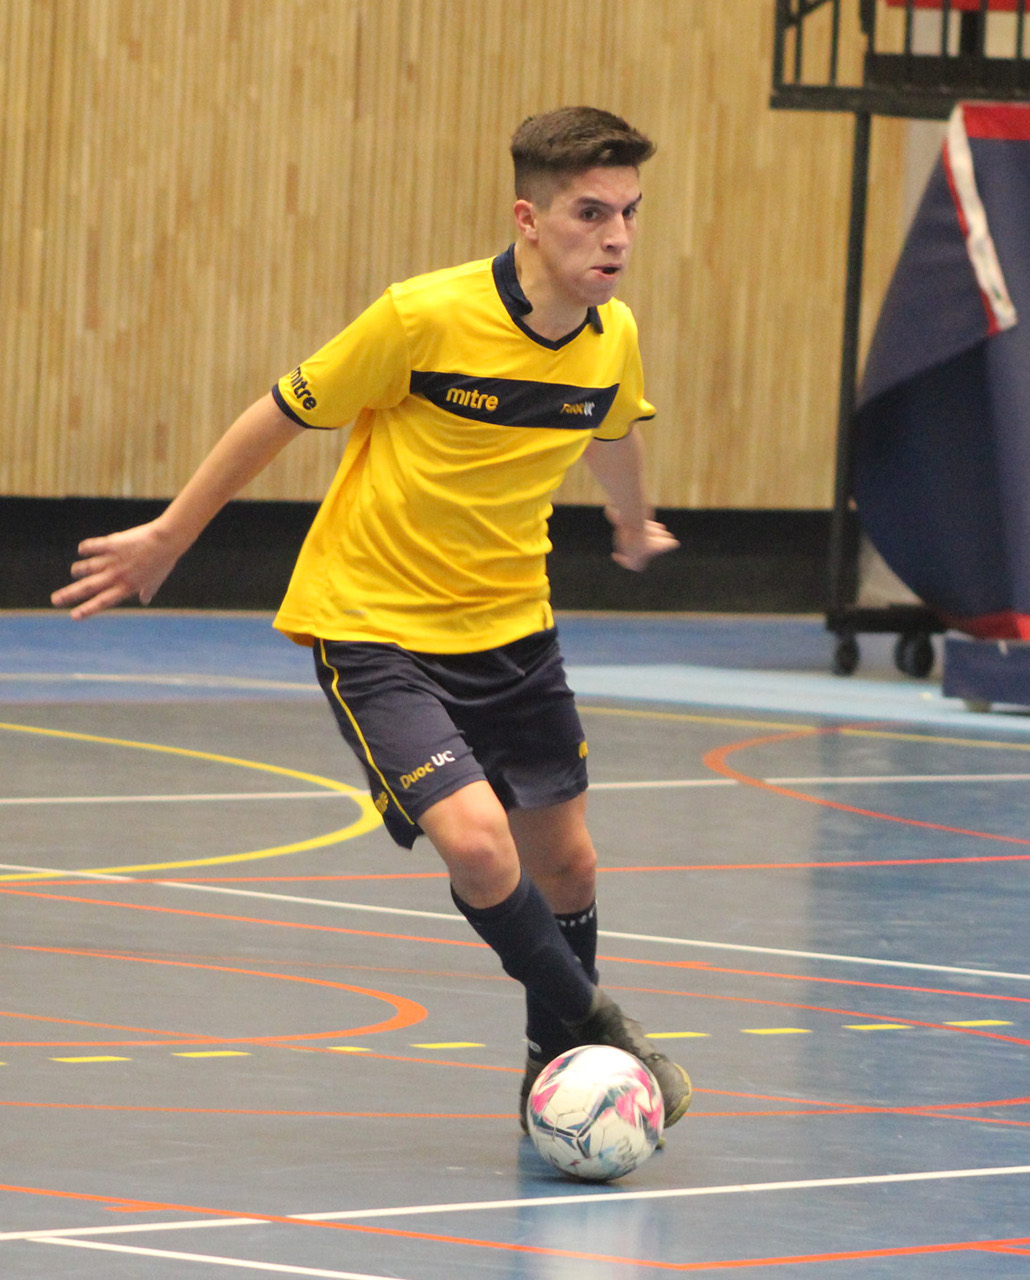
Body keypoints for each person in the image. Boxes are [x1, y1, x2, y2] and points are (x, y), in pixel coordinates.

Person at [52, 106, 693, 1139]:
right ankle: (603, 1028)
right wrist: (170, 536)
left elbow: (610, 429)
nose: (616, 237)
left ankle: (555, 1062)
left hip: (514, 628)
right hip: (378, 626)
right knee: (479, 846)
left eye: (630, 213)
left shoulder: (610, 337)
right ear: (529, 218)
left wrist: (631, 521)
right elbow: (280, 411)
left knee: (569, 864)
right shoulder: (421, 317)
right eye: (591, 213)